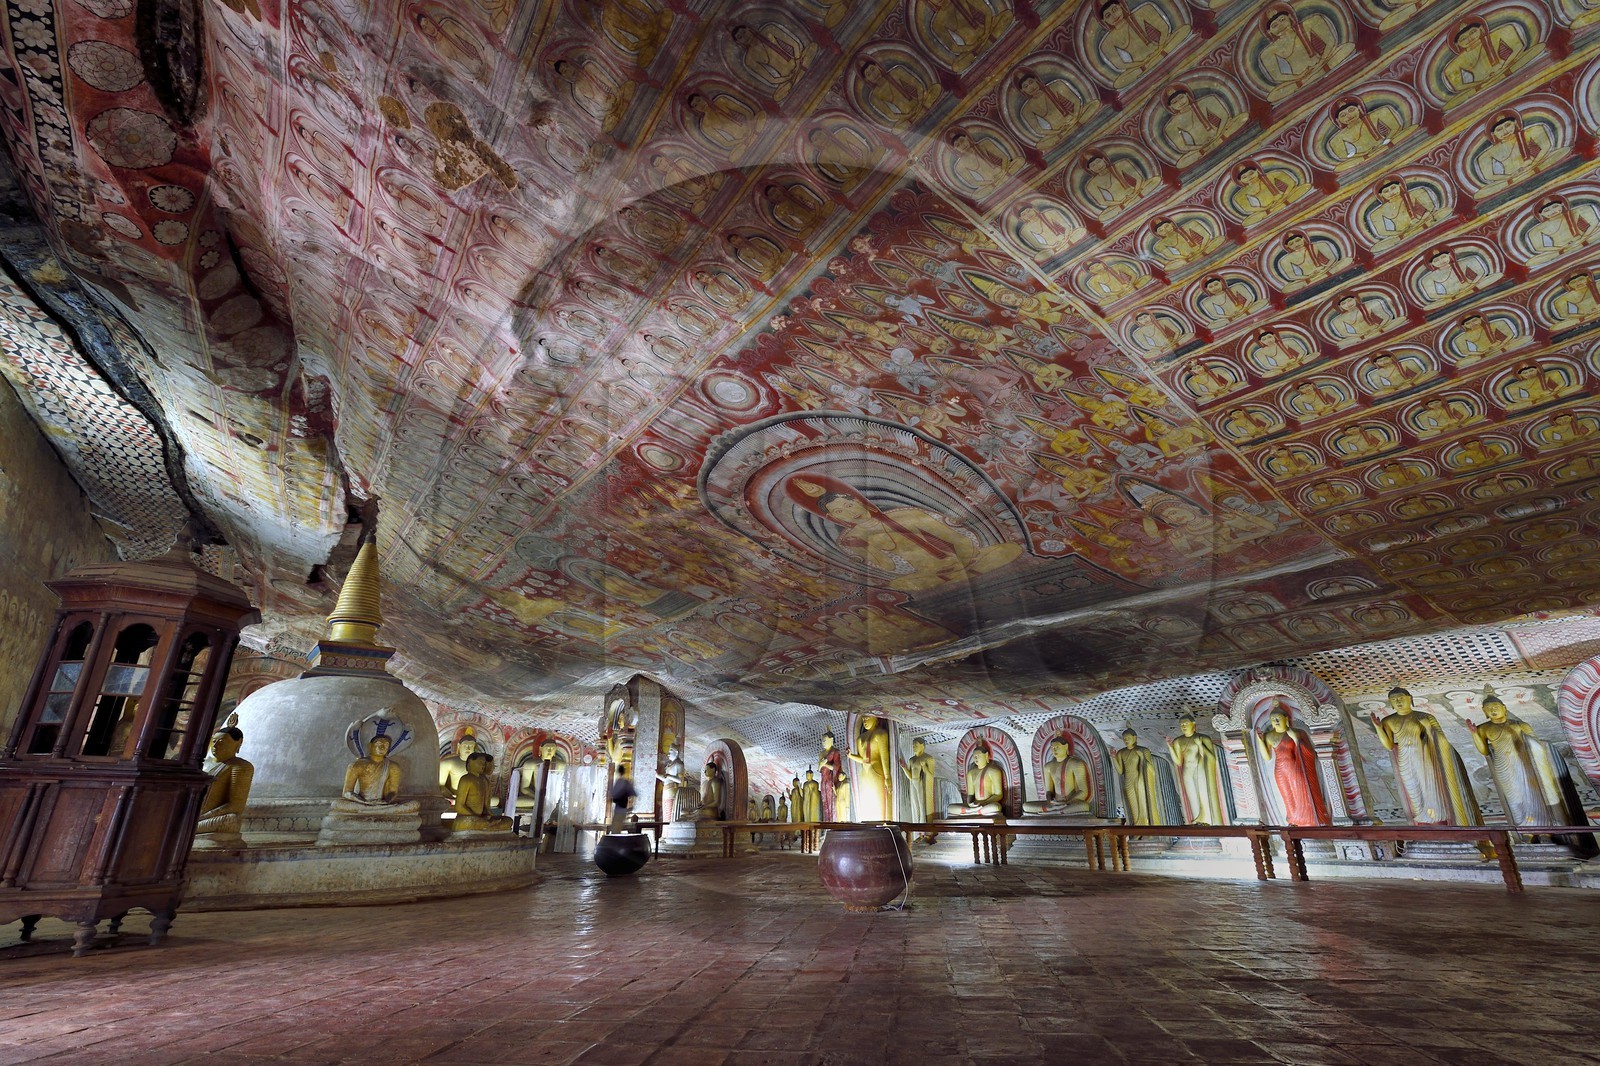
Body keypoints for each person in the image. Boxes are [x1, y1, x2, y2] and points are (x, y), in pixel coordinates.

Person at [1469, 695, 1597, 857]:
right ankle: (1526, 833)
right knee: (1515, 800)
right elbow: (1485, 751)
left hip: (1525, 765)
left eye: (1495, 707)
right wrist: (1474, 734)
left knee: (1535, 798)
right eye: (1489, 709)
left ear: (1504, 708)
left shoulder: (1520, 724)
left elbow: (1537, 746)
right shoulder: (1484, 728)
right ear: (1484, 712)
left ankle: (1545, 832)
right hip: (1504, 767)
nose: (1493, 710)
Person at [1370, 688, 1492, 856]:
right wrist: (1378, 728)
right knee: (1414, 794)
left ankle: (1438, 823)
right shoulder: (1389, 720)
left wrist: (1429, 727)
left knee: (1431, 790)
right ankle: (1423, 827)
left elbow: (1440, 739)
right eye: (1394, 699)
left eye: (1401, 697)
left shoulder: (1424, 716)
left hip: (1425, 757)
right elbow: (1389, 746)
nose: (1398, 701)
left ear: (1409, 698)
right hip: (1405, 758)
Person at [1253, 703, 1328, 825]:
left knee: (1300, 792)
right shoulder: (1269, 735)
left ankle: (1309, 820)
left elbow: (1310, 752)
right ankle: (1293, 820)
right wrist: (1260, 741)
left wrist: (1297, 739)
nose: (1275, 721)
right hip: (1279, 770)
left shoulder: (1298, 732)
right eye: (1272, 719)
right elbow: (1267, 757)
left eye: (1278, 718)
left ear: (1286, 718)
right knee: (1287, 796)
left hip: (1295, 767)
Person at [195, 726, 254, 846]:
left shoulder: (240, 767)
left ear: (238, 743)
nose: (215, 746)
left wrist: (202, 817)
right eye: (214, 742)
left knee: (231, 819)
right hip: (192, 815)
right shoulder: (204, 764)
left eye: (222, 742)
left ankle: (190, 826)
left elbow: (236, 805)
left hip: (208, 819)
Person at [1166, 716, 1228, 825]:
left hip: (1200, 769)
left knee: (1203, 794)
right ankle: (1197, 818)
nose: (1183, 726)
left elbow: (1211, 758)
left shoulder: (1203, 738)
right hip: (1187, 771)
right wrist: (1170, 747)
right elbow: (1178, 762)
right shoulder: (1178, 741)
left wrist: (1200, 745)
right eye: (1181, 725)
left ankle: (1207, 819)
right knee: (1192, 796)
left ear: (1193, 724)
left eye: (1186, 723)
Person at [1022, 737, 1093, 815]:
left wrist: (1067, 802)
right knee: (1026, 806)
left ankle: (1054, 811)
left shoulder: (1076, 764)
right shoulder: (1048, 767)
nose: (1054, 750)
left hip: (1070, 803)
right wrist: (1050, 801)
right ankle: (1055, 810)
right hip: (1055, 804)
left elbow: (1083, 792)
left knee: (1084, 806)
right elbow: (1049, 791)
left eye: (1057, 747)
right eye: (1052, 748)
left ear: (1066, 747)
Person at [608, 764, 638, 832]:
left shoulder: (618, 782)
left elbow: (613, 794)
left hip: (618, 806)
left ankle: (615, 837)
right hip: (623, 806)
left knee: (616, 826)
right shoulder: (626, 782)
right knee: (618, 824)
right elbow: (633, 793)